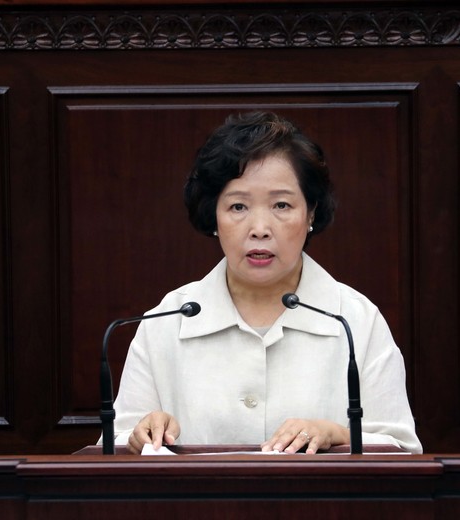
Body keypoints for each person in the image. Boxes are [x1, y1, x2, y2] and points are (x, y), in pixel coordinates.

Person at [106, 111, 422, 455]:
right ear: (213, 215)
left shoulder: (356, 320)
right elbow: (115, 446)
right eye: (238, 206)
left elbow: (401, 449)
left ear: (311, 212)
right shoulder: (166, 321)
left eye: (281, 205)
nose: (259, 228)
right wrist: (141, 435)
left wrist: (337, 434)